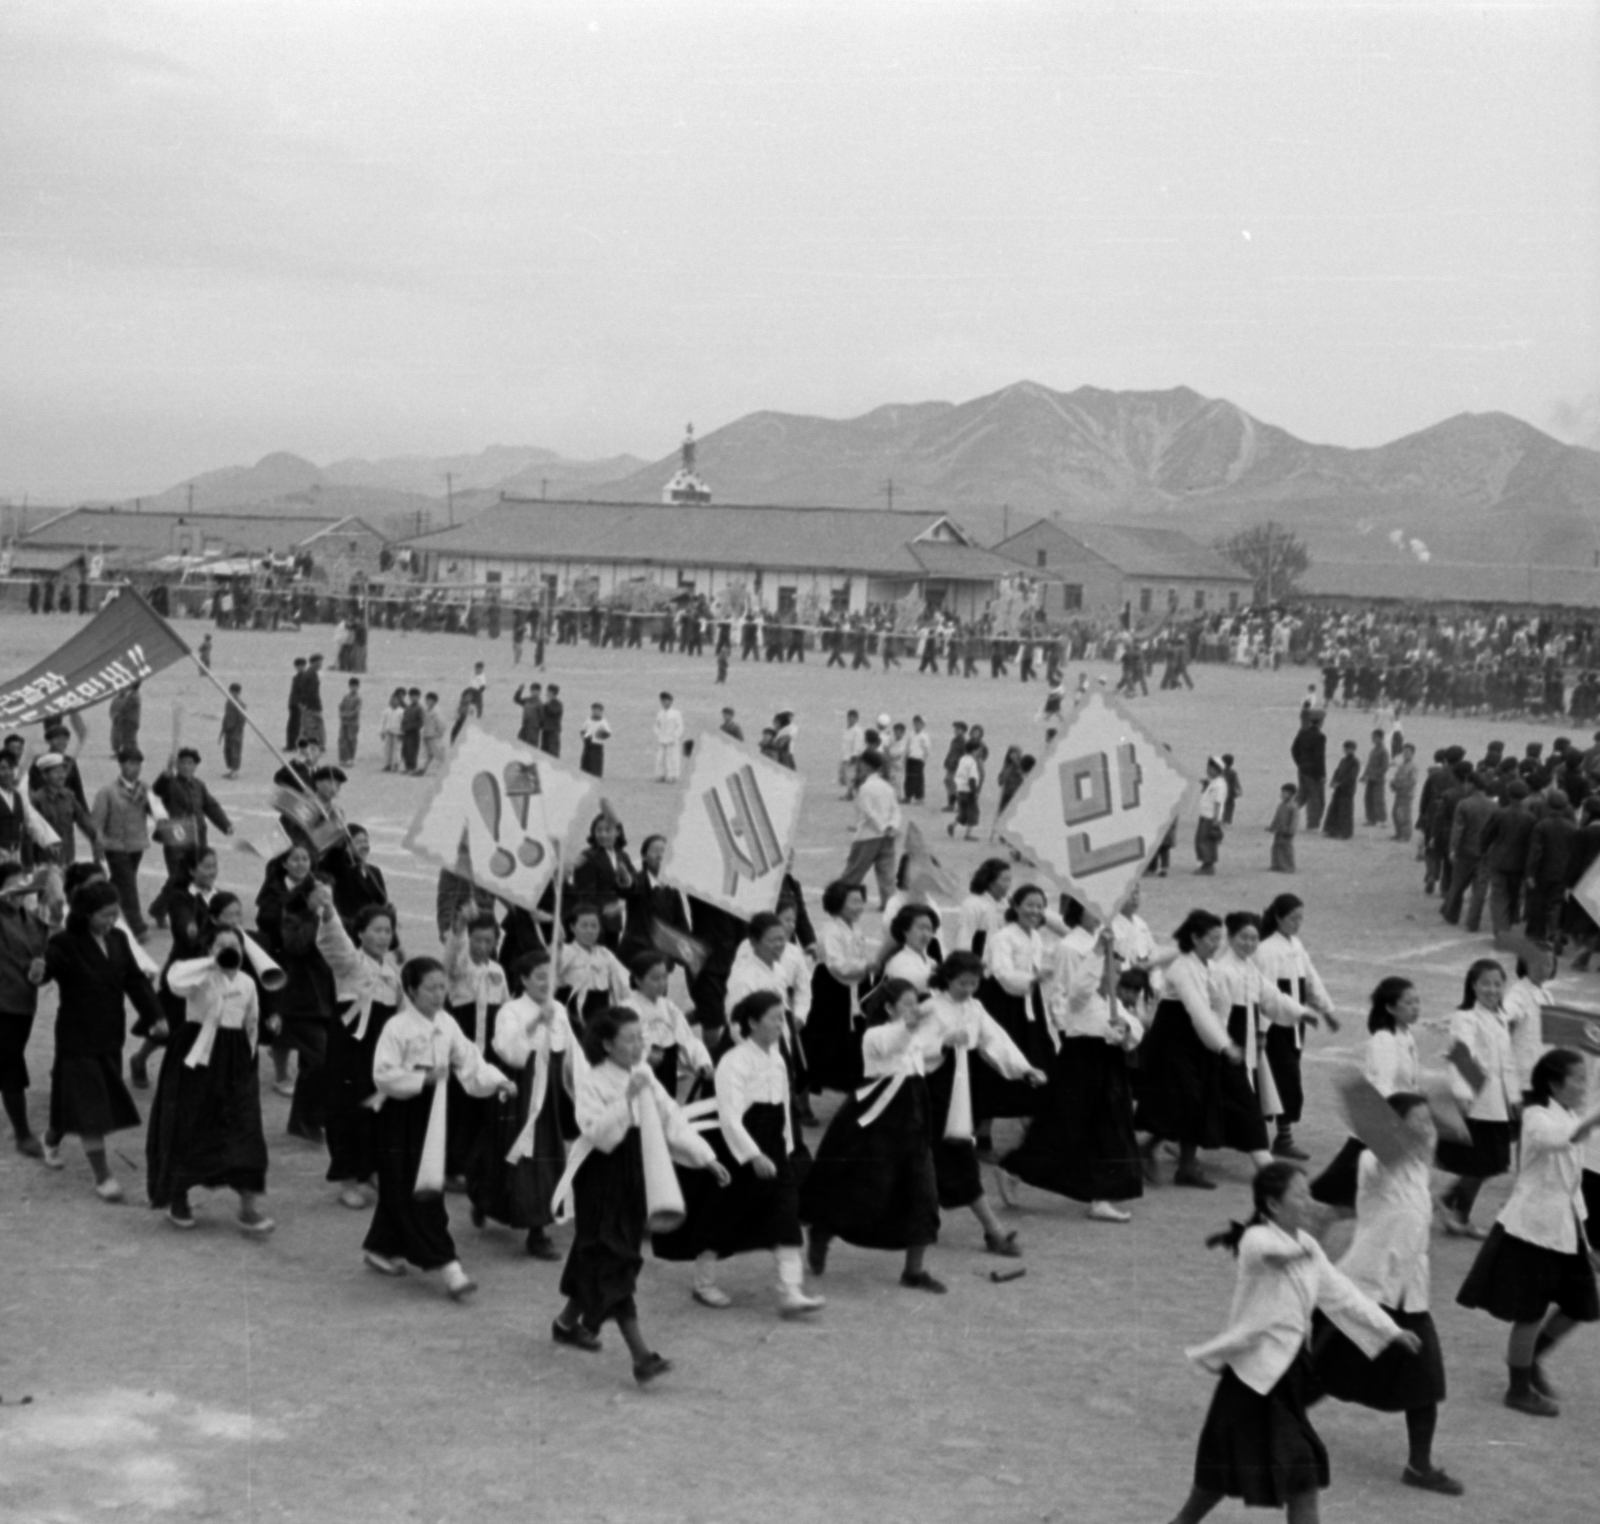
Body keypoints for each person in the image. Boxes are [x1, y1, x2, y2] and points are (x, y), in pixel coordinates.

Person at [1164, 1163, 1422, 1524]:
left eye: (1307, 1193)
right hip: (1254, 1379)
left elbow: (1343, 1296)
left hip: (1288, 1375)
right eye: (1299, 1195)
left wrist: (1390, 1330)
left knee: (1257, 1471)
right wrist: (1297, 1255)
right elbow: (1263, 1254)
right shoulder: (1258, 1238)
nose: (1308, 1201)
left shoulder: (1307, 1245)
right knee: (1277, 1473)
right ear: (1272, 1205)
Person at [549, 1006, 730, 1384]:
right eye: (629, 1039)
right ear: (606, 1044)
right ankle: (641, 1356)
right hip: (600, 1173)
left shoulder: (644, 1074)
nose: (638, 1046)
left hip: (634, 1171)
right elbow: (596, 1133)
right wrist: (625, 1099)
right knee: (615, 1255)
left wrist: (705, 1157)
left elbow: (670, 1119)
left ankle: (566, 1324)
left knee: (602, 1249)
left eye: (640, 1038)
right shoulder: (592, 1080)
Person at [1308, 1093, 1463, 1495]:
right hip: (1364, 1292)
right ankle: (1266, 1419)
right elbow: (1382, 1155)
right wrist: (1378, 1120)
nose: (1427, 1131)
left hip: (1409, 1295)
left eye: (1429, 1123)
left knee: (1425, 1378)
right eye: (1417, 1123)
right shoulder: (1374, 1164)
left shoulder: (1419, 1170)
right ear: (1394, 1130)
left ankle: (1419, 1465)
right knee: (1319, 1375)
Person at [1456, 1047, 1600, 1418]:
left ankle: (1531, 1360)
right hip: (1531, 1231)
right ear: (1554, 1084)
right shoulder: (1538, 1117)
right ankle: (1518, 1388)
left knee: (1580, 1307)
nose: (1585, 1084)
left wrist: (1585, 1236)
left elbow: (1571, 1182)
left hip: (1566, 1227)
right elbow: (1560, 1139)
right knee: (1530, 1313)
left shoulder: (1569, 1113)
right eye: (1579, 1078)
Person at [662, 990, 823, 1317]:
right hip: (740, 1149)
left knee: (786, 1213)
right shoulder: (733, 1062)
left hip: (775, 1147)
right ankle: (704, 1282)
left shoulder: (777, 1057)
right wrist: (753, 1155)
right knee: (724, 1214)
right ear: (752, 1022)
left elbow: (782, 1109)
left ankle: (790, 1291)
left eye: (783, 1018)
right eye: (774, 1018)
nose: (782, 1024)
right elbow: (730, 1117)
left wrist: (787, 1149)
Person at [363, 956, 515, 1297]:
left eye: (442, 987)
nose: (438, 994)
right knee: (419, 1190)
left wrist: (499, 1081)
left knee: (408, 1185)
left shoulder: (447, 1023)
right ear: (412, 990)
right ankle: (449, 1268)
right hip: (400, 1116)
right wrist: (423, 1077)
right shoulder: (396, 1027)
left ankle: (381, 1246)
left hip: (436, 1114)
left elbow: (469, 1059)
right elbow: (383, 1074)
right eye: (430, 988)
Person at [1003, 898, 1144, 1223]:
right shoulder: (1075, 958)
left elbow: (1122, 1012)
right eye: (1093, 907)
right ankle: (1015, 1168)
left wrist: (1126, 1031)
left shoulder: (1109, 967)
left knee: (1111, 1122)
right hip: (1081, 1052)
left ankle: (1101, 1196)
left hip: (1107, 1055)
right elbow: (1074, 994)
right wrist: (1097, 954)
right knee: (1064, 1123)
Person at [799, 980, 945, 1290]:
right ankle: (824, 1229)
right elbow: (894, 1042)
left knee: (923, 1192)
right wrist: (911, 1024)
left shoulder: (913, 1032)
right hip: (877, 1123)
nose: (912, 1009)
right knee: (865, 1192)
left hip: (914, 1118)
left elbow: (929, 1052)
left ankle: (913, 1271)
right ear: (889, 1008)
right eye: (906, 1004)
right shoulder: (875, 1035)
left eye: (914, 1003)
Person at [38, 881, 165, 1200]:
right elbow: (48, 970)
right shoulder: (65, 943)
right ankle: (102, 1176)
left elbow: (136, 981)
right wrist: (38, 972)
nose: (110, 921)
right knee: (91, 1108)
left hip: (110, 1034)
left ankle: (51, 1137)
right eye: (104, 915)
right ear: (86, 914)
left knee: (75, 1102)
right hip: (76, 1037)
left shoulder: (119, 939)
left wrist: (156, 1016)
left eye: (114, 914)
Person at [146, 924, 274, 1235]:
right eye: (222, 945)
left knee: (244, 1127)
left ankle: (248, 1206)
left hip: (234, 1060)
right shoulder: (198, 976)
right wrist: (212, 961)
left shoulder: (246, 982)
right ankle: (179, 1196)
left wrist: (249, 1058)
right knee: (188, 1124)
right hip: (196, 1056)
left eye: (236, 946)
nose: (231, 951)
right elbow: (174, 979)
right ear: (208, 949)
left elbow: (252, 1023)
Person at [1135, 909, 1273, 1189]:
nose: (1217, 944)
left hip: (1196, 1039)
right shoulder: (1184, 968)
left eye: (1219, 938)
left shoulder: (1204, 964)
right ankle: (1148, 1148)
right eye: (1212, 939)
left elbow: (1212, 1008)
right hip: (1174, 1038)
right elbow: (1198, 1009)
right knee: (1187, 1098)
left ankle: (1185, 1167)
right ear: (1195, 938)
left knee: (1200, 1097)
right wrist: (1223, 1044)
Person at [472, 948, 575, 1260]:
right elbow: (506, 1050)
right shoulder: (511, 1011)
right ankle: (488, 1200)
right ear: (524, 980)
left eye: (550, 976)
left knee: (544, 1156)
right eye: (539, 977)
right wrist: (532, 1026)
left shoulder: (558, 1008)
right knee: (513, 1154)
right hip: (522, 1092)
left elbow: (570, 1053)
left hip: (551, 1095)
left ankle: (537, 1230)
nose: (546, 983)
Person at [314, 891, 401, 1210]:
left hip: (380, 1052)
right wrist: (327, 912)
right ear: (361, 933)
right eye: (376, 929)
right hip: (350, 1049)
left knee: (378, 1110)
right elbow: (335, 941)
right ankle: (348, 1179)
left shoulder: (393, 973)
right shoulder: (350, 963)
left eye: (387, 930)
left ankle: (371, 1170)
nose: (382, 936)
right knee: (347, 1109)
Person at [1310, 976, 1421, 1210]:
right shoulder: (1384, 1040)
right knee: (1340, 1188)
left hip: (1388, 1123)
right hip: (1380, 1125)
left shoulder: (1405, 1035)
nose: (1415, 1008)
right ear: (1390, 1008)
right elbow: (1383, 1087)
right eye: (1408, 1003)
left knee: (1356, 1190)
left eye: (1417, 1002)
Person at [1437, 958, 1520, 1239]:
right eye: (1485, 983)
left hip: (1498, 1101)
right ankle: (1456, 1210)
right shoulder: (1466, 1018)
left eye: (1498, 984)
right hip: (1479, 1101)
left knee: (1489, 1162)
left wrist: (1515, 1097)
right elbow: (1462, 1054)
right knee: (1485, 1162)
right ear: (1473, 985)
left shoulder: (1499, 1017)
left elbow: (1506, 1062)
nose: (1492, 989)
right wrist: (1463, 1093)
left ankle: (1451, 1203)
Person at [1254, 895, 1339, 1161]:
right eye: (1293, 918)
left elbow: (1310, 979)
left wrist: (1326, 1010)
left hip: (1292, 1027)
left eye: (1300, 919)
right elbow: (1264, 993)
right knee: (1281, 1080)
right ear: (1278, 917)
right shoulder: (1266, 950)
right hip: (1274, 1028)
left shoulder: (1295, 945)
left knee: (1284, 1079)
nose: (1297, 924)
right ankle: (1281, 1137)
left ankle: (1282, 1135)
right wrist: (1262, 1030)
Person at [442, 907, 510, 1187]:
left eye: (488, 940)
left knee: (483, 1105)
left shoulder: (497, 971)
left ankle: (476, 1162)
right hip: (462, 1041)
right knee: (458, 1106)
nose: (482, 946)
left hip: (489, 1048)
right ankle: (451, 1167)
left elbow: (505, 1009)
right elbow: (451, 958)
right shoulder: (459, 968)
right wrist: (458, 927)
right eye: (477, 939)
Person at [805, 879, 877, 1098]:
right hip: (832, 990)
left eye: (861, 901)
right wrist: (866, 966)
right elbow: (837, 965)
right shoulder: (830, 931)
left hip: (854, 989)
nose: (860, 906)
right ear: (838, 903)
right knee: (826, 1038)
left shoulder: (856, 928)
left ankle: (851, 1086)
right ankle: (807, 1087)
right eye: (854, 901)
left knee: (854, 1038)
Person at [148, 747, 233, 932]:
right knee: (178, 878)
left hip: (197, 840)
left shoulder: (199, 785)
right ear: (177, 765)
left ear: (195, 766)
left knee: (193, 877)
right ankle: (166, 911)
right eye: (182, 763)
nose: (186, 766)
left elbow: (210, 806)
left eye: (190, 763)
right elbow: (156, 792)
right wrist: (165, 775)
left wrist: (225, 824)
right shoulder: (169, 783)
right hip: (176, 838)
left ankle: (161, 909)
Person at [0, 862, 51, 1157]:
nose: (20, 891)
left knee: (9, 1061)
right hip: (3, 1004)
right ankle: (22, 1134)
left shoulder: (32, 920)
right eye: (13, 885)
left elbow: (45, 957)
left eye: (24, 885)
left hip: (22, 1003)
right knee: (11, 1067)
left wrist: (40, 973)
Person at [622, 952, 711, 1096]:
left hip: (667, 1067)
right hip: (640, 1072)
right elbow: (622, 1045)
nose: (662, 983)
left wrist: (702, 1062)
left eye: (665, 977)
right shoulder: (627, 1009)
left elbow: (686, 1038)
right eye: (655, 979)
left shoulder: (669, 1007)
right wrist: (644, 1055)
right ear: (638, 980)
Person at [89, 748, 153, 941]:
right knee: (128, 885)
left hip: (137, 844)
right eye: (129, 763)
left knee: (118, 884)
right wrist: (97, 845)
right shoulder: (107, 791)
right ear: (121, 765)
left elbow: (158, 813)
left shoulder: (145, 789)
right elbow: (97, 821)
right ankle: (138, 927)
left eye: (137, 764)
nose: (133, 768)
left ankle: (93, 905)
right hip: (115, 845)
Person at [555, 903, 631, 1026]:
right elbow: (551, 973)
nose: (590, 930)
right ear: (572, 927)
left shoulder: (605, 954)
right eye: (584, 926)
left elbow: (625, 984)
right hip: (571, 1018)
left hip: (600, 1016)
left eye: (594, 926)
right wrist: (557, 946)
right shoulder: (564, 951)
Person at [849, 751, 901, 910]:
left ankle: (842, 899)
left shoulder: (865, 787)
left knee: (854, 872)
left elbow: (868, 812)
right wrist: (891, 826)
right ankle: (888, 904)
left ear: (866, 765)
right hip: (887, 837)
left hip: (868, 836)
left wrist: (881, 827)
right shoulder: (887, 787)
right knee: (887, 875)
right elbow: (896, 810)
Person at [30, 752, 100, 867]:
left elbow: (83, 821)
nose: (61, 776)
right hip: (45, 859)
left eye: (63, 771)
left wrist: (95, 839)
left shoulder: (69, 796)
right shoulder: (37, 800)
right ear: (44, 775)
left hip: (67, 856)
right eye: (56, 772)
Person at [1290, 710, 1327, 831]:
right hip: (1313, 772)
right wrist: (1321, 774)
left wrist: (1300, 763)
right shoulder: (1319, 736)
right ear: (1321, 722)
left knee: (1302, 796)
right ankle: (1312, 824)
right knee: (1315, 799)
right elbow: (1319, 757)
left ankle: (1287, 815)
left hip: (1302, 770)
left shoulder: (1303, 733)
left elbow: (1294, 749)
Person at [1195, 756, 1227, 874]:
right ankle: (1205, 864)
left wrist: (1216, 819)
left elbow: (1218, 802)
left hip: (1211, 817)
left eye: (1210, 768)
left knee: (1206, 841)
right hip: (1205, 816)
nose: (1208, 770)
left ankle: (1208, 866)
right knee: (1201, 840)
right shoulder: (1213, 782)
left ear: (1216, 770)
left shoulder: (1220, 784)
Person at [1322, 740, 1360, 839]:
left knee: (1345, 811)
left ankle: (1345, 833)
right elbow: (1337, 771)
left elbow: (1352, 776)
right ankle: (1332, 830)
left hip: (1347, 790)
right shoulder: (1343, 761)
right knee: (1334, 809)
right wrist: (1333, 781)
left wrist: (1340, 783)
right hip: (1339, 789)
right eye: (1346, 748)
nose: (1347, 750)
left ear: (1353, 750)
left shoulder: (1355, 762)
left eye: (1350, 748)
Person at [652, 692, 684, 783]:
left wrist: (675, 736)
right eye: (663, 701)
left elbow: (680, 726)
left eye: (667, 701)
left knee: (673, 758)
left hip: (672, 740)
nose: (665, 703)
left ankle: (673, 776)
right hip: (662, 739)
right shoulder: (660, 713)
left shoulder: (676, 713)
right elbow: (656, 726)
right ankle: (660, 775)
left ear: (670, 702)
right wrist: (658, 734)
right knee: (660, 758)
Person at [1361, 728, 1390, 827]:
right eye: (1372, 737)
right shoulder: (1373, 750)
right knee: (1368, 799)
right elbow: (1369, 764)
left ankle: (1383, 820)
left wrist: (1374, 775)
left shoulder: (1383, 751)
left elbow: (1384, 766)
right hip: (1370, 779)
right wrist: (1364, 775)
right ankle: (1371, 819)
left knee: (1378, 799)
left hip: (1378, 779)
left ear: (1380, 738)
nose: (1373, 739)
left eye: (1375, 737)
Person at [1390, 743, 1418, 842]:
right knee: (1395, 813)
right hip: (1399, 793)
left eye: (1408, 752)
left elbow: (1412, 781)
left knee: (1404, 815)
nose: (1405, 754)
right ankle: (1399, 833)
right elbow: (1396, 777)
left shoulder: (1412, 766)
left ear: (1412, 753)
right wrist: (1393, 783)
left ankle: (1405, 836)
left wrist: (1400, 786)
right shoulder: (1402, 765)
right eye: (1404, 752)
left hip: (1407, 794)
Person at [1269, 783, 1298, 872]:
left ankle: (1289, 866)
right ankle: (1277, 864)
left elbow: (1294, 820)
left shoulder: (1293, 806)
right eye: (1282, 792)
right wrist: (1272, 826)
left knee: (1286, 848)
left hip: (1287, 832)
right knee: (1276, 847)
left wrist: (1291, 830)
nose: (1282, 794)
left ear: (1291, 794)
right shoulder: (1281, 805)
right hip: (1279, 830)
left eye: (1285, 793)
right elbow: (1276, 817)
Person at [579, 703, 612, 778]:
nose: (595, 712)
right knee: (585, 763)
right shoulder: (588, 720)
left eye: (597, 710)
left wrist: (600, 735)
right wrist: (584, 737)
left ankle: (595, 777)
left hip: (597, 745)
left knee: (595, 763)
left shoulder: (603, 722)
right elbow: (583, 729)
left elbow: (608, 733)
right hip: (588, 743)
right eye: (594, 710)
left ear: (601, 711)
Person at [380, 689, 405, 772]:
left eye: (395, 700)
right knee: (387, 749)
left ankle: (396, 765)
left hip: (397, 733)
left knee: (396, 749)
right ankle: (387, 764)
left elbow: (403, 723)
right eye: (391, 699)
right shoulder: (386, 710)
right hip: (388, 732)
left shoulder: (401, 711)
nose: (393, 701)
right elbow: (383, 722)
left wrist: (402, 733)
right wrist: (382, 732)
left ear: (398, 701)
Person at [337, 678, 361, 767]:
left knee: (351, 740)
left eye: (355, 686)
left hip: (353, 723)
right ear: (349, 687)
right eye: (351, 686)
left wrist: (347, 715)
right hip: (344, 722)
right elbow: (341, 706)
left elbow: (356, 711)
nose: (353, 688)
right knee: (342, 740)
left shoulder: (358, 698)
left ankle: (351, 758)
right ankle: (343, 758)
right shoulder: (346, 697)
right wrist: (341, 714)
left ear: (358, 687)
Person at [538, 685, 564, 756]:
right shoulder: (546, 704)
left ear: (553, 693)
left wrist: (548, 702)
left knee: (553, 752)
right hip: (545, 731)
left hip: (553, 732)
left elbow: (553, 711)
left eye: (548, 691)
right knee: (544, 752)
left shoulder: (558, 704)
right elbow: (542, 716)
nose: (547, 693)